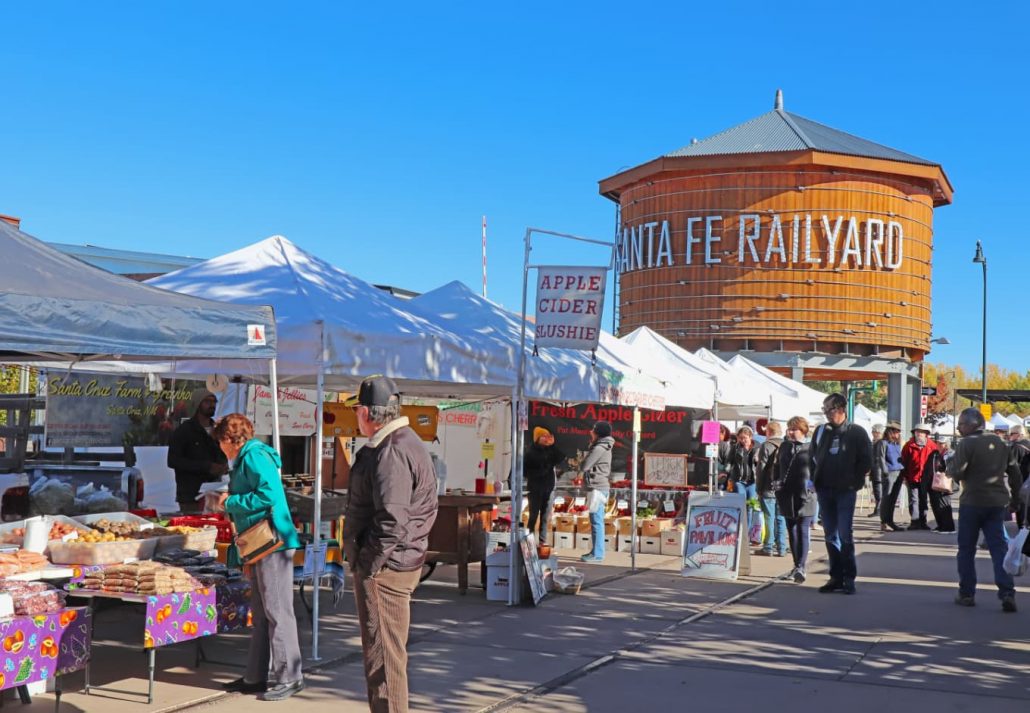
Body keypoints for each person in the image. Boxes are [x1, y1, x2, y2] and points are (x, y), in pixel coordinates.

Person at [343, 376, 439, 712]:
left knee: (384, 662)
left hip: (387, 568)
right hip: (393, 562)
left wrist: (369, 564)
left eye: (357, 409)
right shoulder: (399, 442)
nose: (356, 415)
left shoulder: (393, 449)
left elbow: (391, 520)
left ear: (367, 412)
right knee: (384, 658)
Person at [213, 413, 304, 702]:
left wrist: (231, 502)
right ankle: (256, 677)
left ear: (229, 440)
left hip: (272, 544)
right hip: (262, 545)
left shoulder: (253, 457)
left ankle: (290, 677)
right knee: (264, 614)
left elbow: (270, 496)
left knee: (278, 612)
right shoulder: (247, 458)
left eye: (220, 442)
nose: (219, 448)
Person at [948, 407, 1020, 612]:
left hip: (972, 501)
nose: (959, 428)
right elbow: (1015, 474)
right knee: (999, 549)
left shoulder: (966, 443)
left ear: (971, 425)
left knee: (966, 549)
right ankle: (1007, 592)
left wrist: (951, 465)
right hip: (997, 503)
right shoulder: (1001, 443)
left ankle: (967, 593)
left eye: (961, 424)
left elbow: (957, 473)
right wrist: (1015, 498)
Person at [810, 393, 871, 595]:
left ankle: (848, 577)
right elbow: (811, 457)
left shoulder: (857, 432)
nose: (826, 414)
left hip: (846, 490)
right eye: (824, 410)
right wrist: (814, 479)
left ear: (840, 409)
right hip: (825, 489)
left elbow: (866, 461)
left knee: (845, 534)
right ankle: (835, 576)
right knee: (830, 535)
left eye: (828, 409)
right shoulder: (821, 431)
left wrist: (855, 482)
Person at [167, 391, 228, 513]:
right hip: (191, 495)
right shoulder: (184, 430)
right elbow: (173, 460)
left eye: (214, 402)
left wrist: (222, 466)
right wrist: (206, 466)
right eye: (207, 401)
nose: (212, 405)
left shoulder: (218, 429)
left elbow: (223, 453)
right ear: (197, 404)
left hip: (216, 491)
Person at [776, 416, 816, 582]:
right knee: (791, 530)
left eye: (794, 429)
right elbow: (777, 466)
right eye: (789, 429)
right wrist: (775, 482)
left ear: (803, 430)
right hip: (787, 494)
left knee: (802, 529)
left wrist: (813, 487)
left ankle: (801, 566)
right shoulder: (784, 446)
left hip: (806, 494)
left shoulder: (812, 447)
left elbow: (818, 468)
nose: (790, 432)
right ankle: (796, 565)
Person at [579, 421, 614, 563]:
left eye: (593, 430)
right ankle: (595, 551)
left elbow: (585, 465)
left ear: (598, 433)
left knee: (596, 521)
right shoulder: (603, 446)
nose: (590, 432)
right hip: (598, 487)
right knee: (596, 520)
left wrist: (585, 458)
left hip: (597, 488)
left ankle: (598, 554)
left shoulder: (599, 448)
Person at [524, 427, 565, 545]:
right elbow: (525, 471)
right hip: (535, 488)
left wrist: (552, 445)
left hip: (549, 488)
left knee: (545, 517)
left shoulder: (550, 450)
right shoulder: (530, 452)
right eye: (543, 436)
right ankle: (529, 541)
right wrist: (540, 472)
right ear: (537, 438)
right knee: (533, 515)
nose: (546, 438)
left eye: (548, 436)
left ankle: (543, 541)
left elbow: (561, 458)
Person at [756, 422, 787, 557]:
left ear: (768, 432)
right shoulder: (787, 445)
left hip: (768, 486)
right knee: (781, 518)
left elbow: (761, 469)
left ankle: (768, 547)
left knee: (769, 517)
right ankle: (782, 548)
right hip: (783, 488)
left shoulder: (766, 446)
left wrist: (759, 487)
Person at [900, 424, 937, 530]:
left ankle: (923, 522)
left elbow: (936, 461)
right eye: (917, 432)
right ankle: (915, 521)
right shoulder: (909, 445)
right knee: (914, 499)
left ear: (926, 434)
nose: (919, 434)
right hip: (912, 477)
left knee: (924, 500)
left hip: (926, 478)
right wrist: (904, 476)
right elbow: (904, 461)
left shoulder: (932, 445)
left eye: (921, 432)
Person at [879, 422, 906, 531]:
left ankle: (890, 520)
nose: (898, 434)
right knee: (887, 498)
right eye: (896, 432)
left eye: (899, 432)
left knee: (893, 498)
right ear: (890, 432)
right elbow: (881, 458)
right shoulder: (883, 443)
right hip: (889, 473)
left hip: (899, 472)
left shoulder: (897, 444)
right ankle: (884, 521)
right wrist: (885, 472)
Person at [1007, 425, 1030, 527]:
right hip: (1028, 479)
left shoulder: (1016, 447)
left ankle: (1022, 528)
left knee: (1020, 504)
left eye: (1012, 433)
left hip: (1020, 479)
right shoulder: (1028, 444)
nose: (1010, 436)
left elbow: (1012, 466)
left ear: (1019, 434)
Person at [868, 424, 885, 517]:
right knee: (876, 491)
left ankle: (879, 509)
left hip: (878, 469)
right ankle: (877, 509)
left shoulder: (881, 443)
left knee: (879, 491)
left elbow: (879, 458)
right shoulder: (874, 442)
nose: (873, 434)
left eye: (874, 432)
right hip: (875, 469)